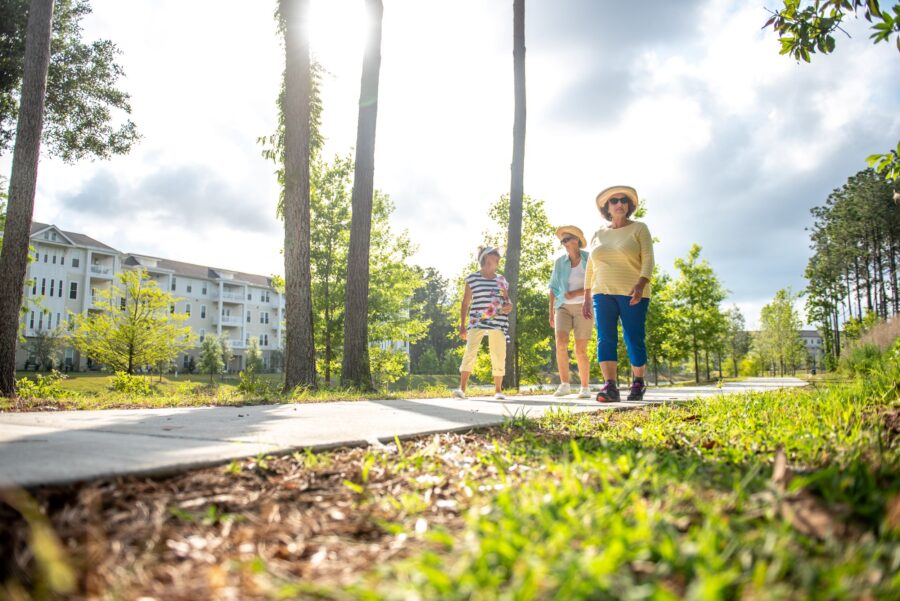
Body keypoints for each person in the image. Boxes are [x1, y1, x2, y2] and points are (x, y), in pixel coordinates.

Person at [582, 185, 655, 402]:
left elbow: (649, 259)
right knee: (605, 338)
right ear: (607, 207)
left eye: (623, 200)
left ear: (629, 205)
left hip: (633, 292)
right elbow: (590, 267)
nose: (619, 204)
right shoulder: (598, 233)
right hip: (601, 293)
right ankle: (610, 386)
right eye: (614, 201)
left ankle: (638, 382)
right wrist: (586, 296)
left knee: (633, 337)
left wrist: (641, 284)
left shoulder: (639, 228)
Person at [452, 246, 513, 400]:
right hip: (476, 320)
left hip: (498, 321)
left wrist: (508, 305)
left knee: (498, 354)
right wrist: (462, 325)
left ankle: (498, 391)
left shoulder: (501, 279)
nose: (498, 259)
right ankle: (462, 389)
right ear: (486, 258)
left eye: (498, 257)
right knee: (470, 351)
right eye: (495, 256)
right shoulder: (472, 278)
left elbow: (507, 300)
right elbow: (465, 303)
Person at [547, 225, 593, 398]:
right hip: (563, 307)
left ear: (576, 240)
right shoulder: (560, 262)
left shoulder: (589, 259)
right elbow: (552, 287)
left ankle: (585, 387)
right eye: (562, 241)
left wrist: (576, 293)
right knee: (560, 343)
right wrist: (551, 312)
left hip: (584, 306)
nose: (563, 243)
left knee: (580, 348)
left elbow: (596, 284)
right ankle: (564, 384)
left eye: (566, 240)